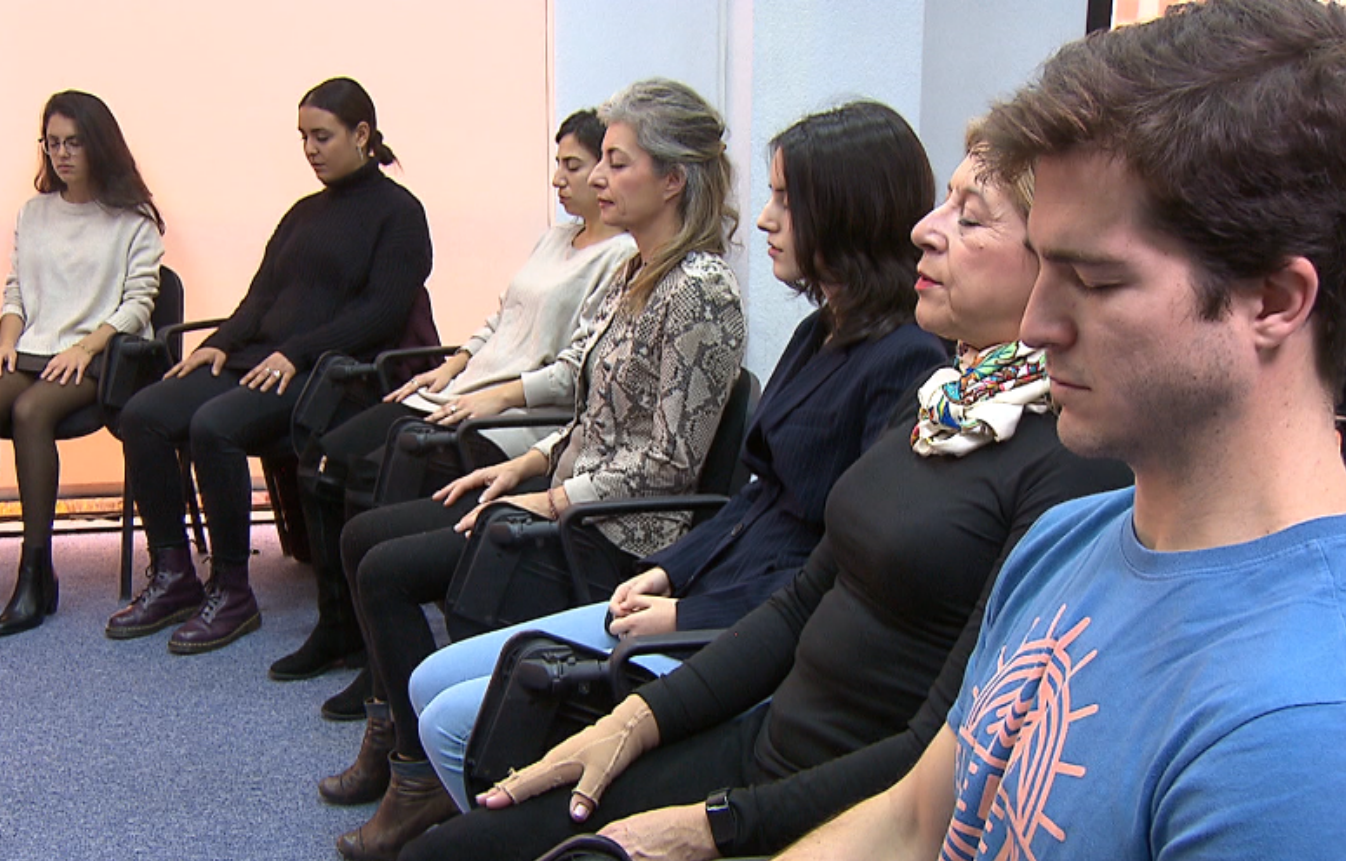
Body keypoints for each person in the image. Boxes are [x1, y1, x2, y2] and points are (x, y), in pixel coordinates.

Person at [367, 3, 1346, 861]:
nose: (1038, 323)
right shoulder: (1082, 540)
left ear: (1274, 301)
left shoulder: (1330, 741)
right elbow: (913, 837)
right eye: (1044, 262)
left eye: (1095, 280)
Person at [360, 131, 1133, 861]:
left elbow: (930, 761)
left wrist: (713, 825)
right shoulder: (947, 395)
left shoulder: (1070, 465)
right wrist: (638, 720)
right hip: (765, 748)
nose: (926, 231)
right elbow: (805, 597)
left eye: (971, 218)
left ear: (1056, 263)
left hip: (829, 812)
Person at [406, 100, 950, 808]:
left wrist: (687, 615)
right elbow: (756, 498)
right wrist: (669, 571)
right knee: (428, 682)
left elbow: (832, 568)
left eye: (786, 201)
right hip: (708, 580)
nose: (764, 219)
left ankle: (516, 839)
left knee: (451, 722)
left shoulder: (907, 361)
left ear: (848, 211)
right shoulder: (820, 331)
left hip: (745, 624)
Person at [325, 78, 746, 861]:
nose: (597, 179)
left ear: (673, 180)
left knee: (387, 568)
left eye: (616, 163)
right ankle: (408, 753)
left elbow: (667, 463)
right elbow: (592, 409)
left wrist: (550, 499)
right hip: (576, 497)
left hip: (621, 536)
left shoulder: (700, 293)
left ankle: (417, 773)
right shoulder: (634, 272)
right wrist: (524, 464)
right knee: (372, 543)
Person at [271, 108, 637, 706]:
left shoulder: (618, 258)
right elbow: (501, 317)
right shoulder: (555, 238)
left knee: (370, 471)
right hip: (465, 393)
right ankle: (342, 628)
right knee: (324, 460)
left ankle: (380, 656)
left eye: (573, 165)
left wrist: (490, 395)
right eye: (559, 164)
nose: (559, 178)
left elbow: (576, 370)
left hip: (511, 419)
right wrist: (455, 363)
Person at [105, 76, 431, 654]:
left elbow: (380, 315)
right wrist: (221, 343)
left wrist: (297, 353)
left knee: (215, 426)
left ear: (362, 134)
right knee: (144, 413)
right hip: (263, 361)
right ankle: (174, 574)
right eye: (303, 137)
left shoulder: (400, 213)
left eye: (322, 136)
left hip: (332, 375)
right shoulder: (302, 213)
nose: (310, 149)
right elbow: (261, 297)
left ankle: (232, 590)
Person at [0, 90, 163, 636]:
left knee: (31, 412)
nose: (62, 154)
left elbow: (138, 303)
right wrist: (5, 342)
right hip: (34, 347)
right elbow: (16, 292)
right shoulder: (34, 213)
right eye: (52, 143)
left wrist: (86, 348)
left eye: (74, 142)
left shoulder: (133, 219)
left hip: (100, 355)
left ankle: (36, 573)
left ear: (99, 144)